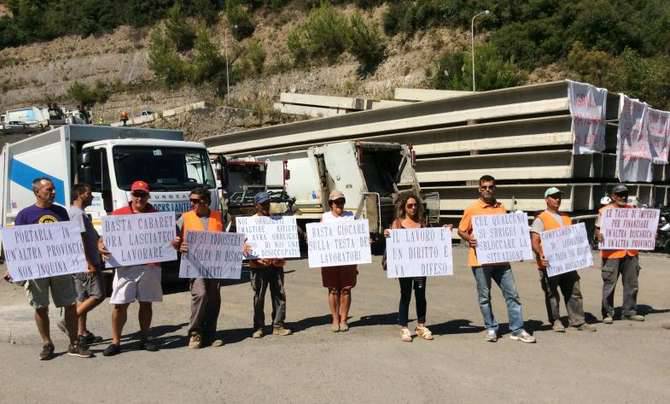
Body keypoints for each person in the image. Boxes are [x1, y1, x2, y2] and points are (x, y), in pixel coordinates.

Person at [2, 177, 92, 359]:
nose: (53, 192)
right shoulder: (25, 215)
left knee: (69, 305)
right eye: (48, 190)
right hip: (36, 270)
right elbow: (17, 245)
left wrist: (81, 261)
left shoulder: (61, 212)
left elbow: (70, 239)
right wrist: (12, 267)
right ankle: (47, 343)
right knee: (40, 307)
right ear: (37, 192)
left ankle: (74, 343)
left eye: (53, 189)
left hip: (60, 268)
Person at [457, 175, 536, 343]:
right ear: (479, 189)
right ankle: (491, 328)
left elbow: (507, 233)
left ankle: (518, 329)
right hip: (480, 261)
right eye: (484, 187)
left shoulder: (502, 208)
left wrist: (518, 250)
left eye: (490, 187)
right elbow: (461, 230)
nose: (487, 190)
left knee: (512, 294)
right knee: (484, 297)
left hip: (501, 261)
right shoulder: (472, 209)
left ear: (495, 188)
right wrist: (468, 238)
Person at [101, 180, 163, 356]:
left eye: (143, 194)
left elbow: (170, 238)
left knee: (146, 303)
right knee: (119, 305)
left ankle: (145, 338)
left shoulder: (157, 215)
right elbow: (104, 238)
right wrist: (100, 246)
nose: (139, 198)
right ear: (131, 195)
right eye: (136, 194)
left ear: (148, 196)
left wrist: (173, 242)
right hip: (125, 266)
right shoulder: (118, 214)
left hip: (150, 266)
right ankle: (116, 342)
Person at [530, 187, 596, 333]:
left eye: (559, 197)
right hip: (549, 265)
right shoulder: (541, 219)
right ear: (546, 199)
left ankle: (578, 321)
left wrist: (581, 252)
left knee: (574, 291)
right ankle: (556, 320)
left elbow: (572, 240)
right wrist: (540, 253)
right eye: (554, 197)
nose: (557, 199)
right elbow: (534, 240)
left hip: (568, 264)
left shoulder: (566, 218)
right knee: (552, 294)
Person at [172, 187, 224, 349]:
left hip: (215, 265)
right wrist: (178, 245)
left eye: (195, 200)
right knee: (200, 295)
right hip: (194, 265)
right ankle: (195, 333)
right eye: (191, 200)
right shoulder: (185, 218)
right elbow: (173, 238)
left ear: (205, 201)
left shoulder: (218, 216)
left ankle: (210, 334)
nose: (191, 203)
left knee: (214, 298)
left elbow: (228, 238)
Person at [384, 191, 435, 342]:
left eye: (415, 205)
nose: (413, 208)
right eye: (409, 205)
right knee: (405, 295)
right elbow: (392, 243)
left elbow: (432, 241)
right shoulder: (397, 224)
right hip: (405, 267)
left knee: (420, 295)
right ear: (404, 207)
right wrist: (388, 234)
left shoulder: (423, 224)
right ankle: (404, 327)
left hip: (420, 267)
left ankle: (421, 325)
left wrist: (444, 231)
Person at [595, 184, 644, 324]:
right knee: (609, 284)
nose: (623, 197)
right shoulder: (605, 211)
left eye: (625, 194)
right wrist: (599, 236)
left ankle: (629, 311)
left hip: (631, 252)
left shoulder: (633, 210)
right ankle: (607, 313)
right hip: (612, 254)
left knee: (632, 284)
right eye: (620, 194)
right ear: (613, 196)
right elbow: (597, 230)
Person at [247, 191, 291, 338]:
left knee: (279, 295)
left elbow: (285, 242)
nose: (266, 206)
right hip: (258, 267)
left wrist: (282, 256)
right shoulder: (250, 222)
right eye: (262, 204)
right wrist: (256, 259)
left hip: (276, 266)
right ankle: (258, 327)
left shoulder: (277, 221)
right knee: (259, 297)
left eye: (267, 203)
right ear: (256, 205)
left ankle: (278, 325)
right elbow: (244, 247)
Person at [66, 183, 106, 347]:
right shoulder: (76, 214)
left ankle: (81, 332)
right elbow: (79, 239)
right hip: (85, 263)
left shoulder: (79, 213)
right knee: (98, 295)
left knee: (82, 298)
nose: (91, 196)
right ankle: (69, 321)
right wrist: (89, 263)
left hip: (81, 263)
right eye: (89, 193)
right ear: (80, 194)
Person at [320, 190, 358, 333]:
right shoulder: (325, 217)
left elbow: (356, 238)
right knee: (333, 289)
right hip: (330, 261)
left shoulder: (350, 216)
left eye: (342, 202)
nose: (340, 205)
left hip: (347, 260)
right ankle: (335, 319)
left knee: (346, 289)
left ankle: (344, 320)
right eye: (337, 202)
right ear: (331, 204)